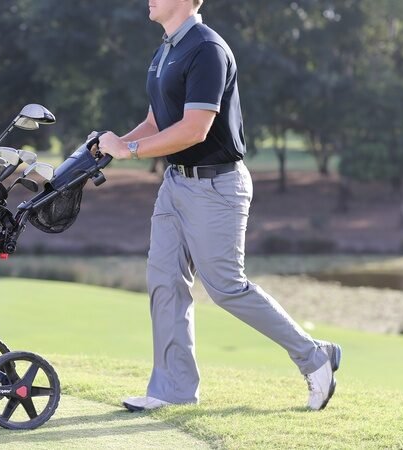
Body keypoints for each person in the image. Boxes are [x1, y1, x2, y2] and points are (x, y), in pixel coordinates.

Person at [95, 0, 342, 411]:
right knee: (164, 280)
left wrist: (130, 150)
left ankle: (315, 356)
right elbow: (158, 121)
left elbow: (195, 129)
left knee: (226, 287)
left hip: (217, 186)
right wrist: (114, 145)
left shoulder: (207, 48)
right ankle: (173, 390)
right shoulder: (165, 50)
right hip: (175, 184)